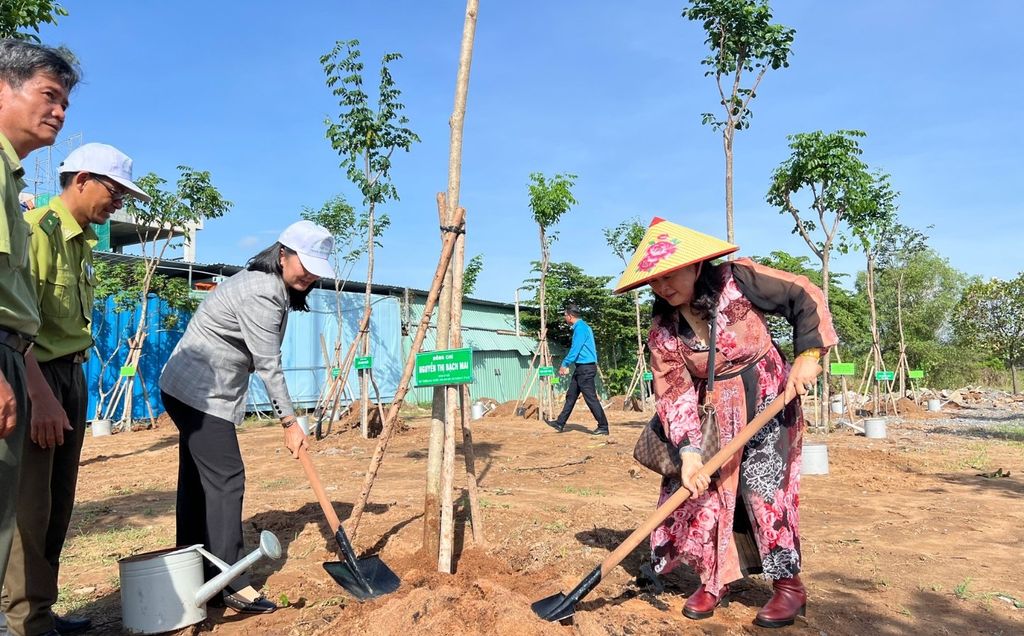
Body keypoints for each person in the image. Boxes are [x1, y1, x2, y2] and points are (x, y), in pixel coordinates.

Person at [613, 217, 837, 629]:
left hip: (770, 398)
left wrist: (808, 356)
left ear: (697, 265)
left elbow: (804, 295)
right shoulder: (663, 330)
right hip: (712, 415)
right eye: (654, 281)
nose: (663, 287)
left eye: (670, 275)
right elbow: (674, 391)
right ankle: (714, 580)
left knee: (764, 490)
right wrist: (689, 453)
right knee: (704, 492)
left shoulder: (739, 280)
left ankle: (789, 587)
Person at [4, 144, 149, 636]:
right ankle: (24, 620)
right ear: (83, 179)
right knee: (31, 507)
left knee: (59, 503)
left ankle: (41, 610)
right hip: (36, 375)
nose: (119, 204)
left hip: (71, 376)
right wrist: (39, 394)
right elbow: (17, 320)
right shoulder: (36, 230)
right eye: (115, 192)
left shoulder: (83, 242)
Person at [159, 220, 333, 614]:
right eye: (305, 264)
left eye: (317, 269)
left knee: (198, 482)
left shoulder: (273, 286)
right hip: (200, 393)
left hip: (189, 389)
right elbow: (268, 363)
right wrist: (290, 423)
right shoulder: (263, 292)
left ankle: (194, 567)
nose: (310, 274)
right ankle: (232, 582)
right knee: (226, 478)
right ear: (283, 253)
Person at [0, 40, 79, 636]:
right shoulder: (39, 219)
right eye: (48, 95)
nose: (58, 111)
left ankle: (36, 617)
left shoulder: (11, 177)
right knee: (20, 513)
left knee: (40, 509)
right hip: (18, 364)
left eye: (65, 102)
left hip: (32, 361)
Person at [545, 303, 610, 435]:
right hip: (583, 367)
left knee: (590, 398)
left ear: (569, 316)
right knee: (571, 395)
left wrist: (565, 363)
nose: (564, 318)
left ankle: (603, 427)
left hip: (585, 368)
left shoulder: (580, 329)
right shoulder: (584, 327)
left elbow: (576, 349)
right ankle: (560, 423)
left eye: (564, 315)